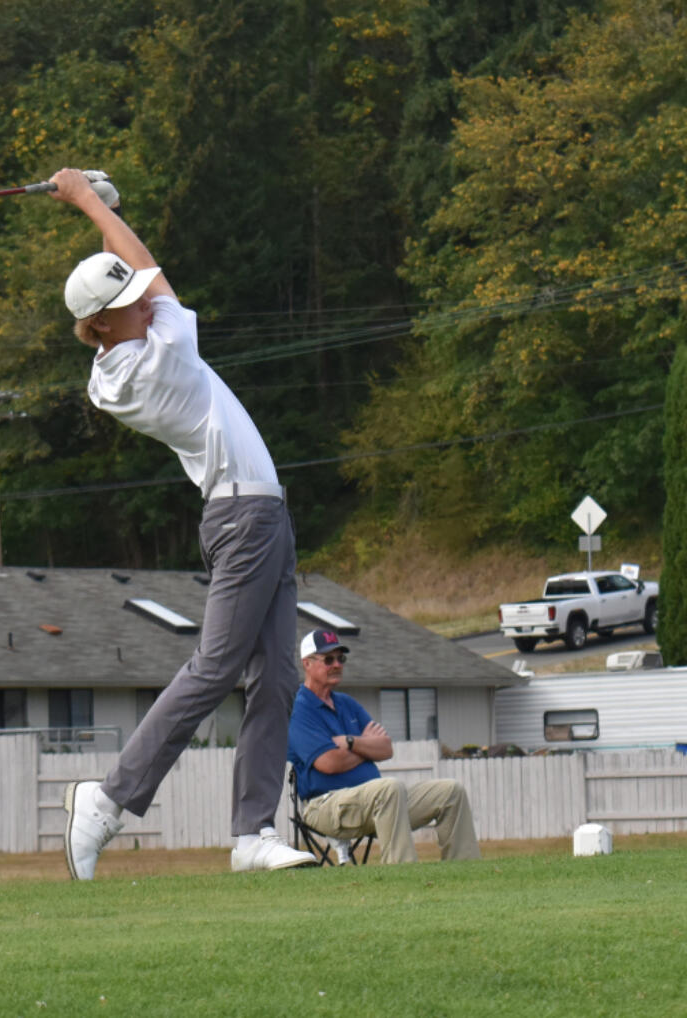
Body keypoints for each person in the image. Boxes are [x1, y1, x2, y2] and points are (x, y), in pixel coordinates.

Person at [51, 167, 314, 878]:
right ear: (102, 324)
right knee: (217, 667)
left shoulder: (115, 362)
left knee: (279, 678)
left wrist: (97, 209)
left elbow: (136, 274)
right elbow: (150, 272)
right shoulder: (161, 352)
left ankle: (252, 833)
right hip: (245, 515)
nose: (143, 302)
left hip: (259, 512)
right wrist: (85, 203)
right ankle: (108, 800)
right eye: (128, 303)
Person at [287, 629, 481, 863]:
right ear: (307, 664)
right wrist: (366, 748)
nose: (337, 664)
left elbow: (386, 749)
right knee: (389, 788)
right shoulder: (300, 709)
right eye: (329, 659)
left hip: (379, 802)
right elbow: (328, 762)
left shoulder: (346, 703)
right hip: (326, 805)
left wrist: (350, 743)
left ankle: (465, 871)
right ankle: (402, 876)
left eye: (341, 659)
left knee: (451, 792)